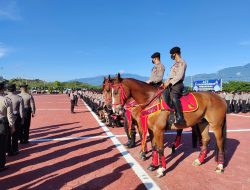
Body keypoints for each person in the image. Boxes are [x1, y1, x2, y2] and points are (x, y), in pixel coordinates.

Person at [162, 47, 187, 125]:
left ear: (175, 54)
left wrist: (169, 83)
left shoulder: (182, 62)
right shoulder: (174, 64)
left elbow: (179, 76)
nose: (171, 56)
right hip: (171, 84)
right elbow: (170, 76)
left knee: (173, 96)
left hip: (178, 84)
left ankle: (180, 117)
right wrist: (164, 83)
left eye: (171, 54)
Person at [6, 84, 24, 155]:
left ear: (7, 89)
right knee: (15, 135)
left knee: (7, 135)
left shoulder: (5, 97)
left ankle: (7, 150)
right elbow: (21, 111)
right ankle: (15, 149)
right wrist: (22, 119)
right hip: (16, 117)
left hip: (7, 117)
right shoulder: (19, 98)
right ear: (15, 89)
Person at [0, 81, 15, 171]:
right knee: (2, 145)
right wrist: (12, 126)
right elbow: (10, 115)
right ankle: (1, 165)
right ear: (2, 89)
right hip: (2, 123)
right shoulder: (6, 100)